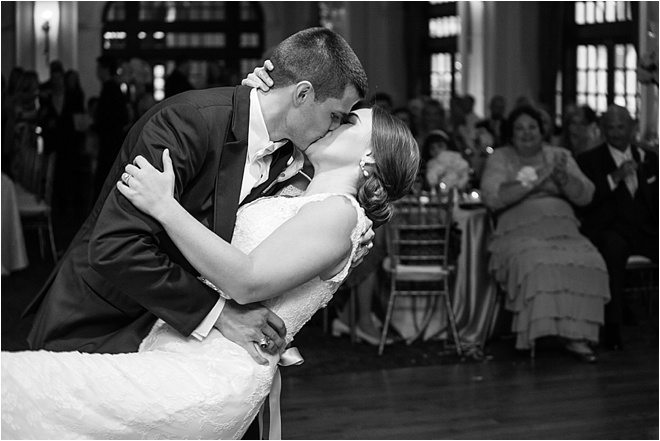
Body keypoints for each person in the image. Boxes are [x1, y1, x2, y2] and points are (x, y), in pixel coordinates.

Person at [2, 105, 420, 439]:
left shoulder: (338, 214)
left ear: (369, 157)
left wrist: (165, 207)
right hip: (183, 343)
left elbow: (247, 280)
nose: (333, 121)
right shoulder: (300, 194)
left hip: (211, 371)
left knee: (26, 387)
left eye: (347, 120)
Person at [23, 27, 369, 363]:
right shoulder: (187, 122)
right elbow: (117, 246)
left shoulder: (289, 155)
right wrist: (219, 313)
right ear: (303, 94)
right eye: (335, 116)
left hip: (181, 343)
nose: (334, 129)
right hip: (101, 325)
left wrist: (348, 237)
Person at [480, 105, 610, 363]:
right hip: (519, 232)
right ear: (510, 134)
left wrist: (563, 179)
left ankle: (576, 336)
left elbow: (586, 195)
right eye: (520, 128)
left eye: (532, 127)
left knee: (591, 262)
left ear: (542, 131)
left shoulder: (559, 155)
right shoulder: (501, 158)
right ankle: (535, 333)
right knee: (535, 263)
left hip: (564, 231)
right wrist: (539, 178)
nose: (527, 133)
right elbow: (493, 197)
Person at [576, 104, 659, 350]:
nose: (615, 133)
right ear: (603, 130)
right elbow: (587, 200)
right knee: (613, 250)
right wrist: (615, 178)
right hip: (611, 229)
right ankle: (612, 327)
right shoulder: (589, 160)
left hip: (645, 230)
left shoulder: (650, 158)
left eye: (621, 127)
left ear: (632, 128)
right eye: (610, 127)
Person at [92, 54, 130, 200]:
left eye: (99, 68)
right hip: (112, 140)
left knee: (105, 177)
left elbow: (112, 117)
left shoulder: (110, 89)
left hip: (110, 141)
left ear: (105, 69)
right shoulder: (113, 88)